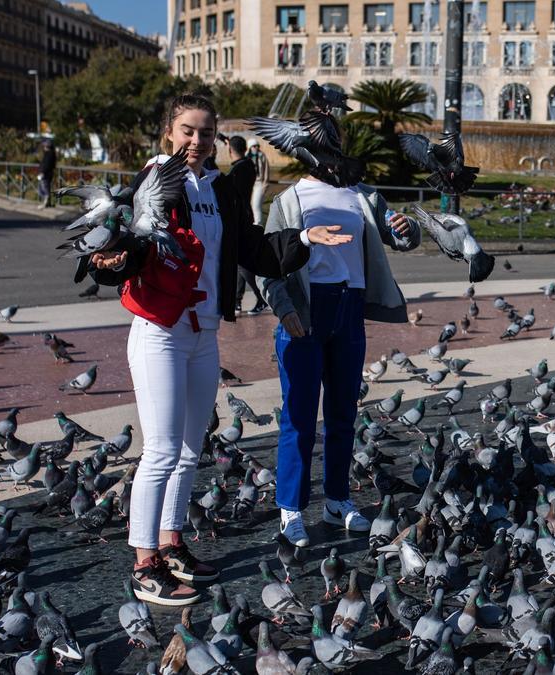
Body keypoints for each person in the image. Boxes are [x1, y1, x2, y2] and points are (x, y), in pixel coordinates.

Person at [88, 94, 352, 606]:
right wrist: (109, 261)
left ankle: (171, 544)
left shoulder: (218, 188)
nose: (197, 141)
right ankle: (145, 563)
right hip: (160, 330)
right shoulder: (151, 181)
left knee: (190, 451)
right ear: (169, 131)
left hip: (203, 331)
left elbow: (250, 248)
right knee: (162, 450)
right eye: (188, 130)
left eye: (206, 133)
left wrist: (302, 236)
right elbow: (126, 244)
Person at [261, 160, 421, 548]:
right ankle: (291, 510)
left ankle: (336, 500)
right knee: (298, 417)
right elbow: (267, 262)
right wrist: (284, 308)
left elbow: (404, 238)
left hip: (349, 306)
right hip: (307, 308)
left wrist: (408, 228)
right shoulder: (289, 198)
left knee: (343, 414)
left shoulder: (363, 195)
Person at [226, 136, 266, 315]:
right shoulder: (248, 165)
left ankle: (262, 296)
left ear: (229, 150)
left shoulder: (238, 170)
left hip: (238, 220)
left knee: (242, 263)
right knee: (238, 261)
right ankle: (237, 301)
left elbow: (227, 191)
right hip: (245, 216)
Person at [248, 138, 270, 225]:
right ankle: (251, 225)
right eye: (254, 146)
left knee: (256, 206)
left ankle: (258, 226)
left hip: (259, 183)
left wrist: (265, 184)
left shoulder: (262, 156)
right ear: (249, 147)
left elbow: (266, 171)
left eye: (257, 146)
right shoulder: (247, 156)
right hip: (249, 185)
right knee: (249, 205)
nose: (256, 147)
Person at [38, 139, 56, 209]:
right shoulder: (49, 153)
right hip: (46, 173)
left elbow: (47, 165)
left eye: (45, 145)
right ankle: (47, 203)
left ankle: (45, 204)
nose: (44, 147)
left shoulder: (49, 154)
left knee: (44, 188)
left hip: (45, 174)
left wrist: (42, 172)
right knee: (44, 188)